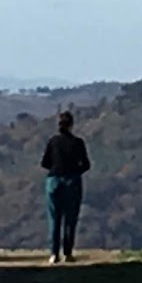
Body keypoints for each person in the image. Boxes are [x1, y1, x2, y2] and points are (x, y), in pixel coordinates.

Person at [40, 109, 91, 263]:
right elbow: (86, 164)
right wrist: (76, 171)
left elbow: (44, 163)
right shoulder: (78, 142)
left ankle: (53, 253)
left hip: (54, 180)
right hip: (72, 181)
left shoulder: (53, 141)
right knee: (70, 218)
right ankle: (67, 253)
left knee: (54, 218)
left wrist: (56, 168)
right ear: (72, 125)